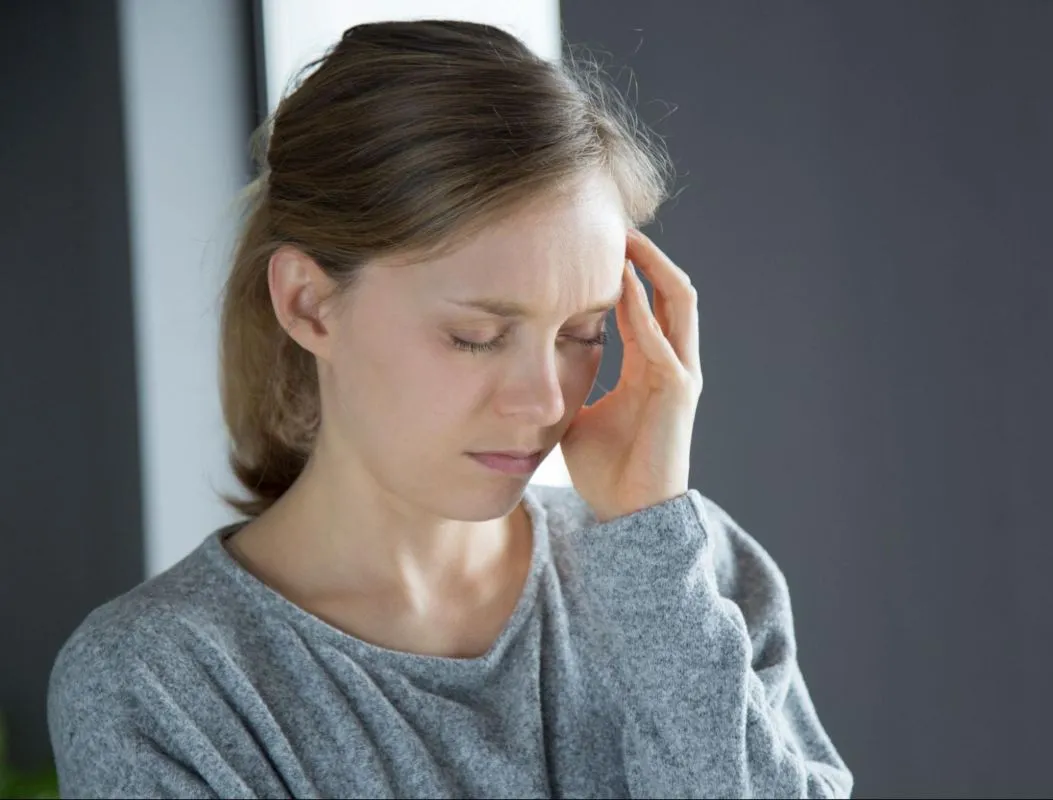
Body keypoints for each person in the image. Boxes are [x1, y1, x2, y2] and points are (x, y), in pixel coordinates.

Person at [46, 19, 853, 799]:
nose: (545, 401)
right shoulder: (162, 683)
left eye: (583, 332)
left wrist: (652, 557)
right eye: (476, 336)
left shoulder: (692, 572)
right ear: (309, 304)